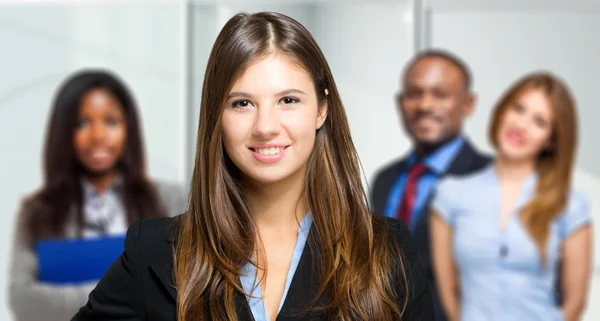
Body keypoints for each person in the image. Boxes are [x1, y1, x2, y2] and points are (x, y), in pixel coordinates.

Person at [72, 12, 434, 321]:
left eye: (288, 100)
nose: (265, 126)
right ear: (218, 115)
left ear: (322, 109)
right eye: (242, 103)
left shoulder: (385, 252)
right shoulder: (155, 252)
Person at [8, 69, 187, 321]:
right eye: (82, 123)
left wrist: (73, 296)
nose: (98, 136)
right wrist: (130, 290)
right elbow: (24, 301)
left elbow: (190, 287)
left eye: (111, 122)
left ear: (129, 128)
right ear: (63, 131)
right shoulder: (37, 211)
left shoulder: (170, 200)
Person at [430, 72, 593, 321]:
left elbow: (575, 304)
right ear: (503, 110)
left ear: (551, 140)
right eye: (518, 109)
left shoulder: (570, 205)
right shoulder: (451, 195)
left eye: (539, 122)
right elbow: (449, 297)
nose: (521, 125)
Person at [370, 49, 491, 321]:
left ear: (468, 103)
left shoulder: (492, 179)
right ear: (401, 103)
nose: (425, 105)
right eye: (414, 94)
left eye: (440, 94)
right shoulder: (385, 180)